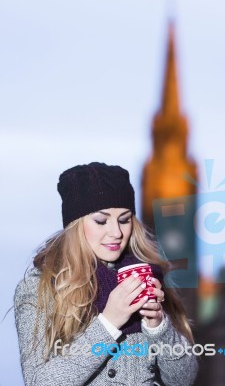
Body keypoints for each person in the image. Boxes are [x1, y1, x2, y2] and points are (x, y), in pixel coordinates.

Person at [14, 162, 198, 385]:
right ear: (75, 224)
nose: (116, 232)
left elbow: (182, 380)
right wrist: (109, 322)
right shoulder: (40, 287)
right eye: (101, 221)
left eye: (124, 220)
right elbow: (39, 382)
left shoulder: (147, 275)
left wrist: (158, 325)